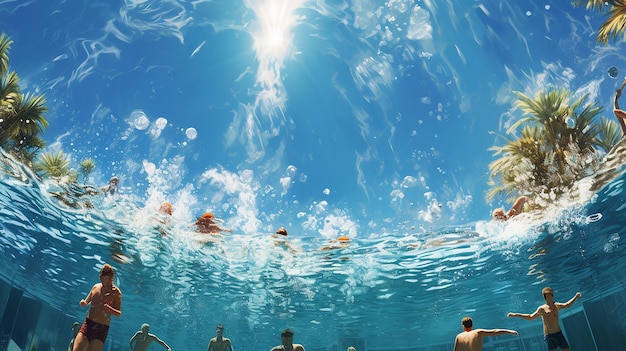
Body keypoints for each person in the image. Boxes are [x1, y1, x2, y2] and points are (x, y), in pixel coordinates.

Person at [507, 287, 582, 350]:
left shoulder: (557, 305)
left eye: (550, 295)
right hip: (549, 336)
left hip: (558, 333)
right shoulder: (542, 309)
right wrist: (515, 314)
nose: (549, 297)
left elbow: (567, 305)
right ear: (545, 297)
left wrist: (575, 297)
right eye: (547, 296)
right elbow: (530, 317)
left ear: (552, 296)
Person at [73, 263, 122, 351]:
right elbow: (86, 301)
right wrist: (83, 303)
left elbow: (119, 313)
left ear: (111, 278)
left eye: (104, 277)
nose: (101, 279)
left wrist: (110, 309)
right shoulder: (96, 287)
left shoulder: (116, 293)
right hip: (88, 324)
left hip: (101, 329)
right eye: (101, 276)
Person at [453, 316, 518, 351]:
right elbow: (495, 331)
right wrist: (510, 331)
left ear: (463, 326)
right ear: (472, 325)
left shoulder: (459, 337)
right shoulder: (478, 332)